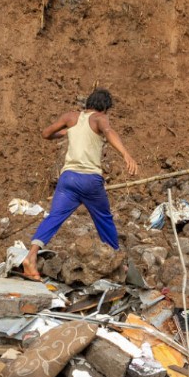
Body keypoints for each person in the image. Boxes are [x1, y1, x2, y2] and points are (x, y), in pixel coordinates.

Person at [21, 88, 138, 280]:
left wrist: (67, 133)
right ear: (105, 108)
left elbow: (46, 133)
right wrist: (126, 154)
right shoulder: (100, 118)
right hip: (89, 179)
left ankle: (31, 256)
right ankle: (118, 263)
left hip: (68, 179)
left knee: (54, 217)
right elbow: (108, 132)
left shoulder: (70, 117)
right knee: (104, 218)